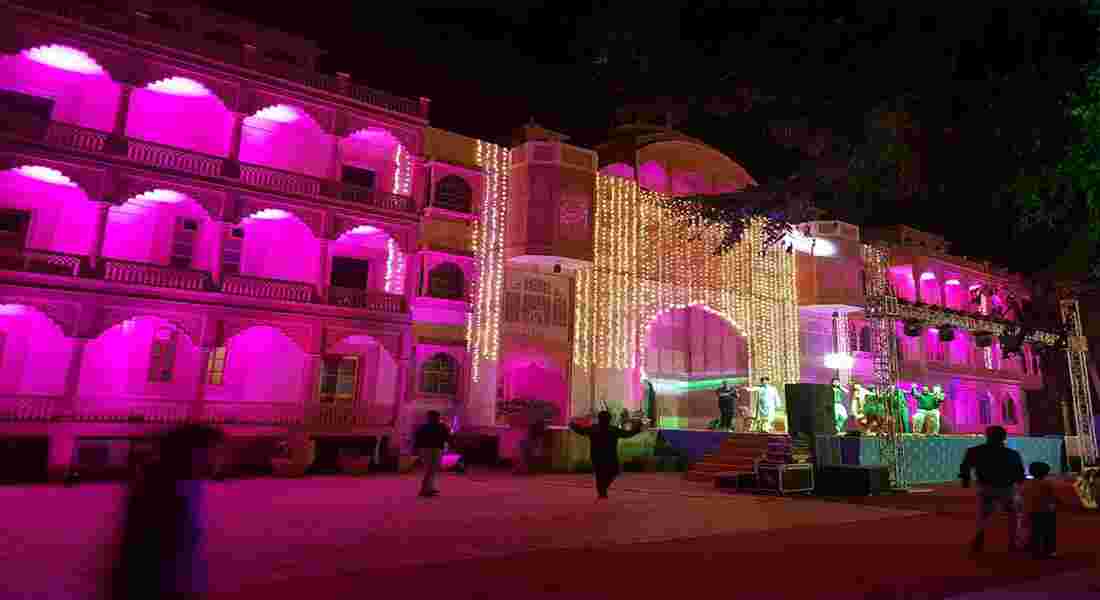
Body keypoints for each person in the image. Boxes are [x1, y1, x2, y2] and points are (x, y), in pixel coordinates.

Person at [111, 423, 223, 599]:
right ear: (193, 454)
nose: (218, 460)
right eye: (214, 453)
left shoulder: (189, 484)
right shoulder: (164, 488)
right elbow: (149, 553)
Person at [960, 425, 1026, 554]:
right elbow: (1019, 472)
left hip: (985, 487)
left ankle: (979, 540)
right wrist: (1019, 485)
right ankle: (1012, 542)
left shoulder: (975, 451)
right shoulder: (1012, 454)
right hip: (1006, 488)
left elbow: (965, 467)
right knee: (1011, 516)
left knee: (983, 515)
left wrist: (965, 481)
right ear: (1004, 437)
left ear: (987, 436)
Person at [569, 410, 643, 499]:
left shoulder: (594, 428)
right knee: (613, 471)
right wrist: (637, 429)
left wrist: (573, 425)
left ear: (599, 419)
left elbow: (581, 431)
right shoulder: (613, 429)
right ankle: (602, 491)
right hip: (610, 456)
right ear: (609, 419)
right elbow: (627, 434)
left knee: (600, 474)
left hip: (596, 455)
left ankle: (602, 491)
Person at [1021, 461, 1058, 559]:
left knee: (1034, 532)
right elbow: (1052, 498)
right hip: (1046, 511)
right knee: (1049, 532)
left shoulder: (1027, 484)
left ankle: (1035, 550)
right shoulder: (1047, 484)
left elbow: (1024, 498)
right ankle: (1050, 550)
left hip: (1032, 511)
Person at [414, 410, 451, 497]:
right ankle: (424, 489)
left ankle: (430, 488)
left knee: (429, 469)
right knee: (431, 469)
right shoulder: (441, 426)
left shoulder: (423, 427)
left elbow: (417, 439)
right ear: (437, 417)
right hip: (436, 449)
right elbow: (447, 437)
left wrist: (416, 450)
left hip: (424, 449)